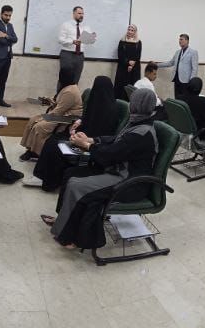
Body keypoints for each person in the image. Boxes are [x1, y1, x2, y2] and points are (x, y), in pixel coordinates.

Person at [40, 88, 161, 249]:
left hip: (130, 183)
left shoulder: (142, 132)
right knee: (71, 174)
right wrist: (92, 140)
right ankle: (62, 221)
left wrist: (87, 146)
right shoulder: (139, 121)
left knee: (77, 185)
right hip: (119, 171)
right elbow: (116, 140)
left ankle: (72, 237)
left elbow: (112, 153)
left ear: (137, 105)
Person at [28, 76, 116, 191]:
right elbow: (86, 118)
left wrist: (81, 136)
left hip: (90, 141)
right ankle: (40, 175)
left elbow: (101, 133)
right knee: (53, 139)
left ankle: (49, 180)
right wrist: (78, 123)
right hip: (82, 134)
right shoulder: (96, 102)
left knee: (56, 146)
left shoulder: (110, 110)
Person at [18, 65, 83, 162]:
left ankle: (37, 153)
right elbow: (59, 103)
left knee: (40, 126)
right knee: (33, 120)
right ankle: (31, 148)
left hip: (66, 119)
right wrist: (50, 101)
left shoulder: (70, 91)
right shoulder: (67, 87)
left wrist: (43, 118)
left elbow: (59, 111)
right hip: (60, 115)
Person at [57, 6, 94, 91]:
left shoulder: (86, 27)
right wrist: (72, 42)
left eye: (83, 14)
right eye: (79, 13)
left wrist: (92, 39)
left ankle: (71, 97)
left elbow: (91, 41)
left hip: (80, 56)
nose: (82, 15)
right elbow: (60, 39)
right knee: (64, 78)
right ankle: (59, 97)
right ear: (74, 14)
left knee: (76, 79)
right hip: (67, 54)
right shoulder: (66, 25)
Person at [114, 24, 142, 100]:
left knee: (132, 87)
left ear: (135, 32)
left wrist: (132, 65)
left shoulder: (138, 42)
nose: (130, 31)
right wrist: (128, 63)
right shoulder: (122, 41)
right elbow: (120, 55)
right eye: (129, 30)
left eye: (132, 30)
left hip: (134, 69)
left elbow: (138, 55)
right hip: (123, 68)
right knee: (121, 87)